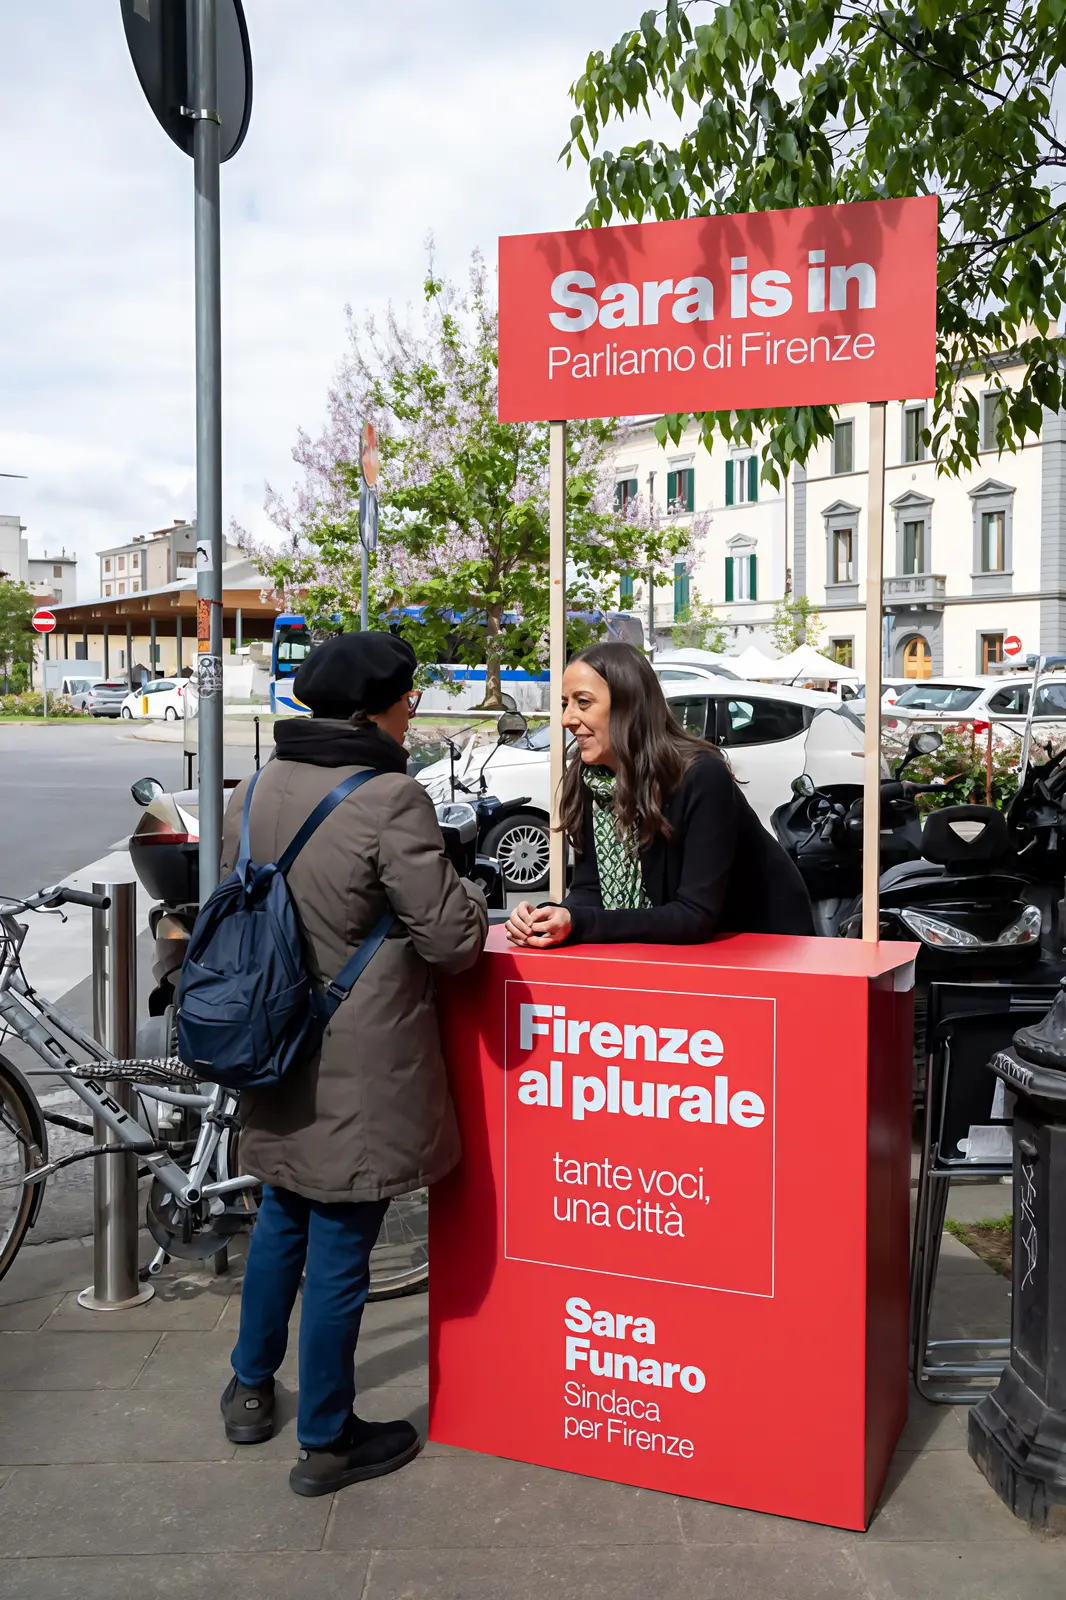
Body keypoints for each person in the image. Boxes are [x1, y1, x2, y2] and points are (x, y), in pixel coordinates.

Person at [218, 631, 486, 1496]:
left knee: (280, 1220)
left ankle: (251, 1388)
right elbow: (451, 941)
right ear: (376, 707)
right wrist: (470, 888)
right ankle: (329, 1441)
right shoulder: (388, 797)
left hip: (272, 1042)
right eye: (409, 695)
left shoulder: (255, 786)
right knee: (340, 1242)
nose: (414, 709)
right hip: (357, 1056)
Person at [505, 640, 813, 948]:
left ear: (629, 706)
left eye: (582, 703)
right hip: (685, 953)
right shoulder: (593, 781)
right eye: (564, 704)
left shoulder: (702, 776)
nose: (567, 719)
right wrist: (549, 918)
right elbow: (590, 891)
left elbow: (695, 917)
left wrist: (580, 923)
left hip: (768, 948)